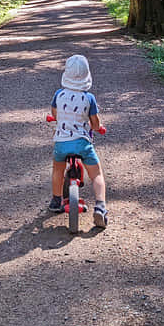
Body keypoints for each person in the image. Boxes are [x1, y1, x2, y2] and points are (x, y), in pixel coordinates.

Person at [48, 54, 107, 227]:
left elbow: (55, 114)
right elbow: (94, 123)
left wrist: (58, 119)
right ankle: (100, 207)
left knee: (58, 170)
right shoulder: (89, 98)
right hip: (82, 143)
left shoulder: (59, 94)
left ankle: (56, 200)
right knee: (96, 173)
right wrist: (97, 127)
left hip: (62, 143)